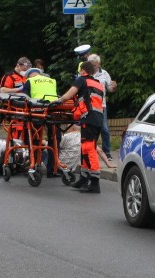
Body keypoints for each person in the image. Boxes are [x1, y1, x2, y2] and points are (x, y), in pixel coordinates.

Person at [53, 60, 104, 193]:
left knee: (88, 148)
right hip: (98, 119)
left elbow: (68, 95)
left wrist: (57, 101)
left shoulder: (82, 80)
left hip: (89, 118)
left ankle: (94, 182)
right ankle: (83, 178)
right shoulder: (98, 84)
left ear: (83, 71)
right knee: (86, 148)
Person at [25, 67, 59, 176]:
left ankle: (34, 165)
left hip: (37, 112)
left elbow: (25, 98)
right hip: (53, 112)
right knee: (54, 138)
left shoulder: (29, 81)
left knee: (33, 138)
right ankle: (52, 169)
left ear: (29, 75)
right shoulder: (52, 81)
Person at [87, 53, 117, 161]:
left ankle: (107, 152)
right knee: (92, 129)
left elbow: (110, 88)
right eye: (90, 64)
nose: (92, 67)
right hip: (89, 106)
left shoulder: (104, 74)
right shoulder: (86, 74)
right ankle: (91, 151)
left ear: (99, 64)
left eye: (94, 65)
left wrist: (114, 87)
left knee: (104, 129)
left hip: (101, 105)